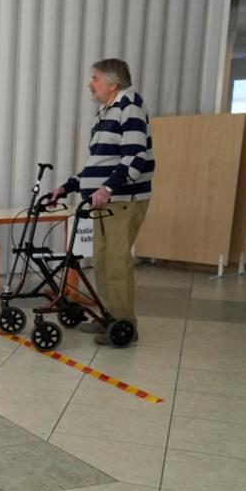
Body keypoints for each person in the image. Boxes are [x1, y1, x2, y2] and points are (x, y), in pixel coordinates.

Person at [50, 58, 154, 345]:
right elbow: (98, 162)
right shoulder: (106, 111)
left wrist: (108, 188)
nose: (90, 84)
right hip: (104, 201)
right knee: (102, 261)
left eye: (95, 78)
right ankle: (108, 317)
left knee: (117, 263)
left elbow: (135, 155)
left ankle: (124, 325)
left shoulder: (130, 106)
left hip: (122, 199)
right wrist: (67, 186)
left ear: (113, 83)